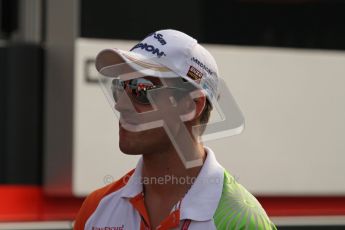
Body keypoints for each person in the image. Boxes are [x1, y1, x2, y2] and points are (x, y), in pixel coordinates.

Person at [74, 29, 276, 230]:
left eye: (140, 89)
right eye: (120, 87)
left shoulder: (242, 221)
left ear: (191, 106)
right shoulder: (96, 208)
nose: (120, 105)